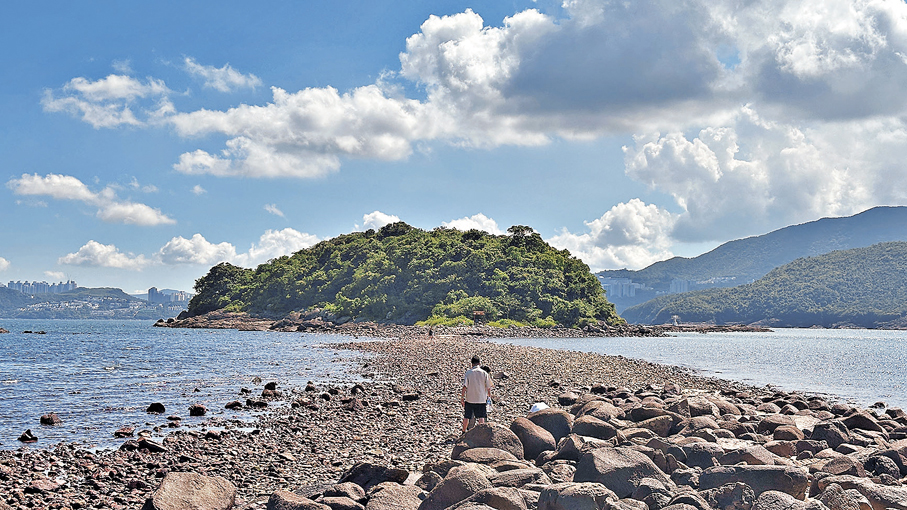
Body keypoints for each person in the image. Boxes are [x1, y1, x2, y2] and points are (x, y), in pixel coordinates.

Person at [461, 355, 493, 433]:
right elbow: (488, 387)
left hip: (470, 399)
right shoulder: (484, 373)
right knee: (481, 416)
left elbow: (465, 387)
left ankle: (463, 431)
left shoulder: (468, 373)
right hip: (481, 399)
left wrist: (462, 398)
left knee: (467, 416)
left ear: (471, 363)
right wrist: (489, 397)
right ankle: (481, 432)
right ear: (479, 363)